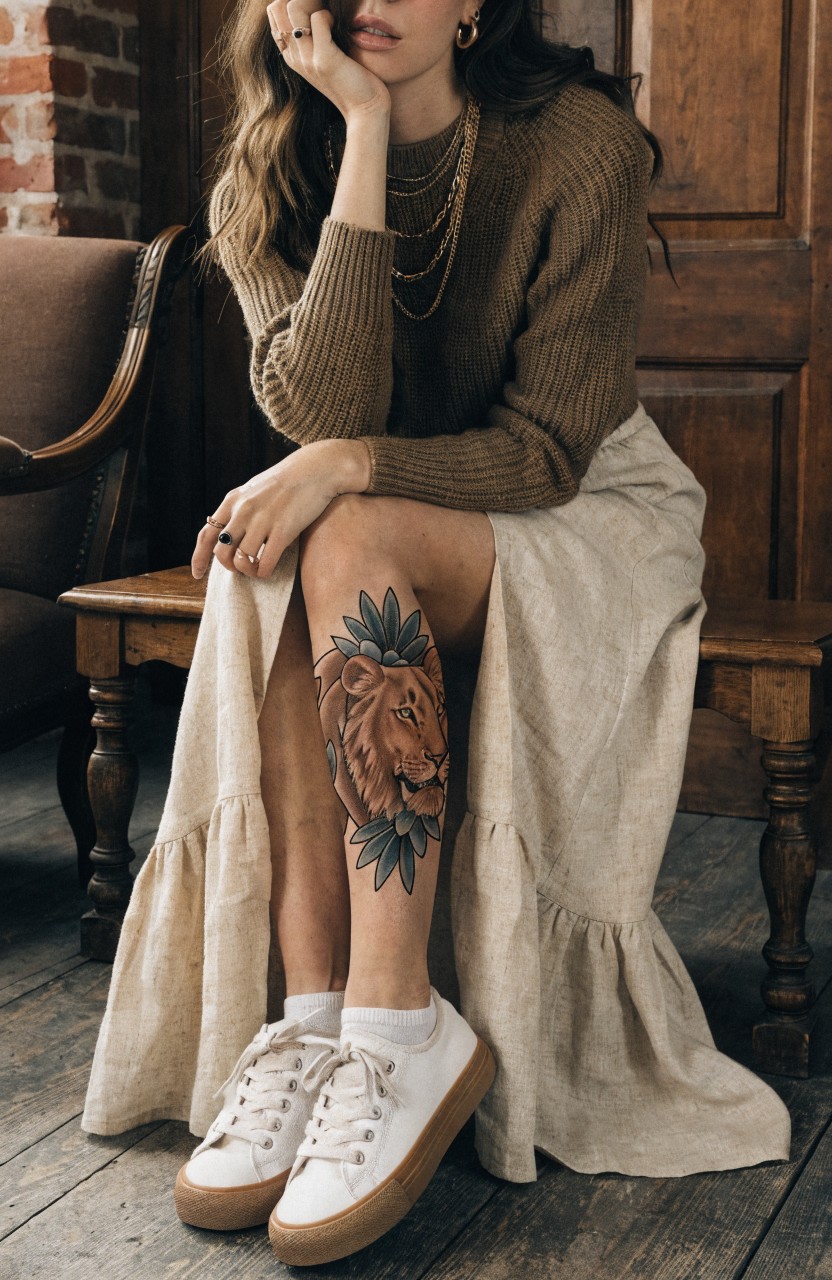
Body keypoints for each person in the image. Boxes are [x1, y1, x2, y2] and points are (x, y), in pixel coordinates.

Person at [80, 0, 792, 1267]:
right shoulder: (265, 170)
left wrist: (347, 463)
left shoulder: (575, 145)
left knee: (335, 531)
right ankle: (313, 1017)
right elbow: (330, 399)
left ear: (474, 5)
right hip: (387, 504)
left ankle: (397, 1024)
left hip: (582, 505)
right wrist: (356, 124)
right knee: (289, 554)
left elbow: (545, 445)